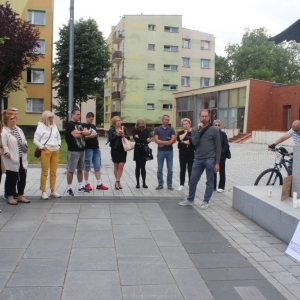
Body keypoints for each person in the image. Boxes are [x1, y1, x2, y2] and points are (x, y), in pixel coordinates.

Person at [179, 109, 221, 209]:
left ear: (209, 117)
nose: (204, 118)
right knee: (193, 180)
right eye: (202, 116)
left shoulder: (214, 130)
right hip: (198, 159)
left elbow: (218, 147)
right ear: (199, 117)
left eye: (206, 116)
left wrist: (217, 163)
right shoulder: (194, 129)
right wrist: (198, 131)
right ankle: (190, 199)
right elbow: (194, 142)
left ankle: (206, 201)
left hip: (210, 159)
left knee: (209, 181)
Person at [1, 110, 30, 205]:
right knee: (12, 178)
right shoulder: (4, 132)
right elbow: (4, 147)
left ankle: (20, 195)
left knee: (22, 177)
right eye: (11, 119)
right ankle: (10, 197)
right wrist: (10, 156)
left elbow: (24, 141)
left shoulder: (19, 129)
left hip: (22, 157)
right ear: (6, 121)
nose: (13, 120)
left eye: (14, 118)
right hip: (12, 159)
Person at [34, 110, 62, 200]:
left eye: (52, 117)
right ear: (45, 118)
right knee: (45, 171)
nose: (51, 119)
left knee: (54, 172)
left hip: (55, 150)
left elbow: (58, 137)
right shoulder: (40, 127)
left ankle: (53, 190)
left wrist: (59, 145)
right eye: (50, 117)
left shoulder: (54, 126)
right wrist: (42, 147)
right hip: (46, 150)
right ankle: (43, 191)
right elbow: (35, 140)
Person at [65, 108, 91, 196]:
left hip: (82, 150)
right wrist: (82, 132)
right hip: (73, 150)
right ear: (72, 115)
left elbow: (87, 132)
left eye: (80, 114)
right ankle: (69, 188)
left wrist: (81, 133)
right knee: (71, 169)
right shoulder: (69, 124)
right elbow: (74, 134)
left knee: (80, 169)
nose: (79, 116)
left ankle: (80, 186)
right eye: (77, 114)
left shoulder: (80, 124)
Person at [82, 112, 108, 191]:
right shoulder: (83, 126)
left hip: (96, 147)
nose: (91, 121)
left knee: (97, 166)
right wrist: (91, 136)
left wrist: (96, 135)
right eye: (90, 119)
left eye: (92, 119)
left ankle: (99, 183)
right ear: (87, 118)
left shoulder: (93, 126)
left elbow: (95, 134)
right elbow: (83, 137)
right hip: (88, 148)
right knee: (87, 166)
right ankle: (86, 183)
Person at [154, 115, 176, 190]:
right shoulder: (157, 129)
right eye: (165, 119)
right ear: (162, 120)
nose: (167, 121)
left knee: (170, 169)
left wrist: (162, 143)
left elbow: (174, 139)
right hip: (160, 152)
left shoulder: (171, 129)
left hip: (169, 151)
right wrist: (168, 142)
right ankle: (160, 184)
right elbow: (156, 140)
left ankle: (169, 184)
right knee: (159, 169)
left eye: (168, 120)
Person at [108, 116, 130, 190]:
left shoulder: (124, 128)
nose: (118, 122)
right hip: (115, 149)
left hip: (123, 149)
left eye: (119, 120)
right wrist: (117, 135)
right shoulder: (111, 129)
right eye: (117, 121)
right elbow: (110, 140)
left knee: (121, 165)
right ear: (114, 122)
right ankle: (118, 182)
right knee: (116, 165)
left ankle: (117, 181)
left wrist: (123, 135)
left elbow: (128, 137)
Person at [133, 119, 152, 188]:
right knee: (138, 166)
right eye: (140, 127)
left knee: (143, 166)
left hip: (144, 149)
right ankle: (137, 183)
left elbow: (148, 139)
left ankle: (144, 183)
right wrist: (145, 140)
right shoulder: (135, 130)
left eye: (143, 127)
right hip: (137, 149)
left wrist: (144, 140)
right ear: (137, 126)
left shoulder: (146, 130)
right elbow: (136, 140)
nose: (141, 128)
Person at [176, 118, 194, 191]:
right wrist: (185, 133)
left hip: (190, 153)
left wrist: (183, 141)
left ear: (190, 124)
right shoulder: (180, 132)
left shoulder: (193, 133)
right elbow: (179, 139)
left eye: (187, 124)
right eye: (184, 124)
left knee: (190, 169)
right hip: (182, 153)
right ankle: (181, 184)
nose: (185, 125)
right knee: (182, 169)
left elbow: (191, 142)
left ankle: (191, 184)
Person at [213, 120, 229, 193]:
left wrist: (221, 151)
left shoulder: (223, 134)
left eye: (218, 125)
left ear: (220, 126)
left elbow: (226, 145)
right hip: (213, 155)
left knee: (222, 171)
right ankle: (213, 186)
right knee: (213, 171)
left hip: (222, 156)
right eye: (215, 125)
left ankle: (221, 186)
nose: (217, 126)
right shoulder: (211, 134)